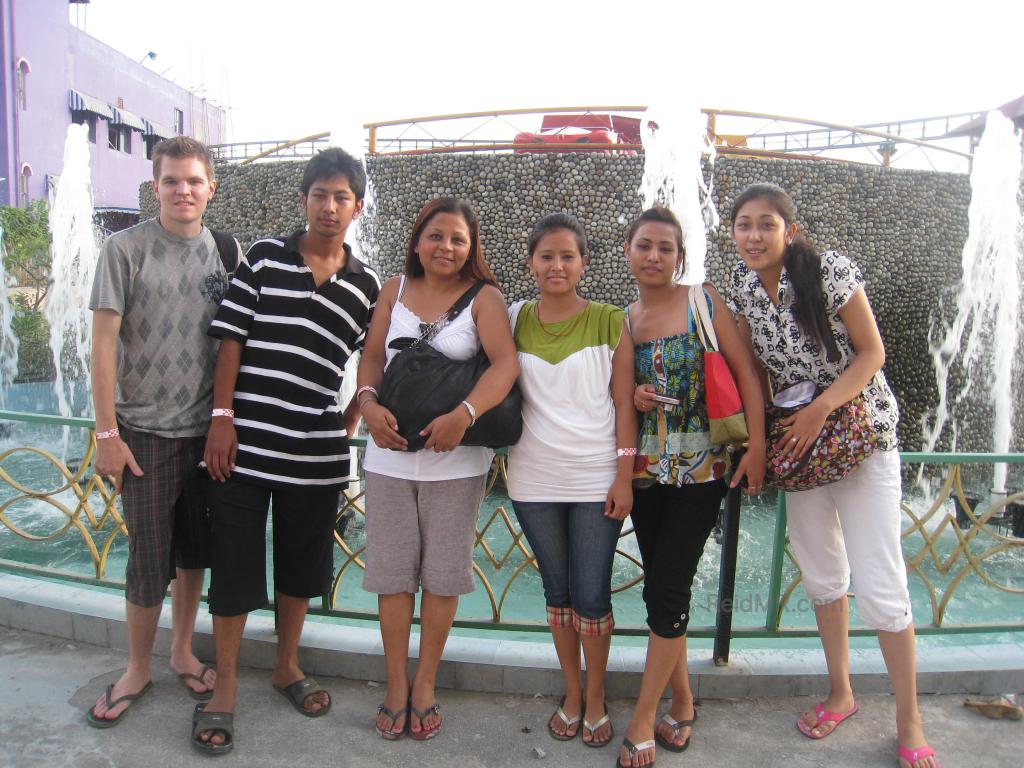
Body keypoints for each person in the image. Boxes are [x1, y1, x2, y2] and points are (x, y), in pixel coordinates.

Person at [726, 183, 937, 768]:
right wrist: (762, 444)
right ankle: (841, 693)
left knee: (883, 583)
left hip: (861, 438)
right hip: (800, 448)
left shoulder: (828, 270)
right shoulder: (743, 287)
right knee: (822, 574)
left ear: (788, 230)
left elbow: (872, 353)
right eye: (743, 225)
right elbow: (753, 377)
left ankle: (910, 720)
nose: (754, 235)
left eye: (766, 224)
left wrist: (822, 406)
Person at [193, 148, 380, 755]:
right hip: (242, 447)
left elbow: (373, 362)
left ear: (357, 207)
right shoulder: (265, 258)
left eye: (342, 197)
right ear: (303, 199)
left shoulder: (367, 285)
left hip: (316, 453)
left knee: (301, 566)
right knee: (236, 565)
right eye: (320, 194)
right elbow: (231, 342)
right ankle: (223, 687)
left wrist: (353, 415)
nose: (330, 206)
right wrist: (222, 418)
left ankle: (286, 665)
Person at [356, 197, 519, 741]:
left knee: (444, 575)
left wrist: (464, 414)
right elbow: (374, 356)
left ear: (471, 248)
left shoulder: (484, 297)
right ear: (417, 239)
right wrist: (367, 403)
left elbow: (505, 365)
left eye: (457, 239)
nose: (445, 247)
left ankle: (425, 683)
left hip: (457, 459)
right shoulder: (393, 289)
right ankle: (395, 684)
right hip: (389, 453)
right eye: (436, 236)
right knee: (393, 575)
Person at [86, 136, 235, 727]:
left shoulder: (226, 251)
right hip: (143, 432)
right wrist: (106, 434)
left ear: (211, 189)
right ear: (156, 186)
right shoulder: (125, 250)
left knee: (194, 553)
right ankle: (137, 666)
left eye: (194, 181)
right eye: (172, 180)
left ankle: (179, 650)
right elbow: (101, 345)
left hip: (206, 435)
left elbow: (234, 342)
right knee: (148, 558)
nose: (183, 191)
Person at [614, 207, 765, 767]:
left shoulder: (703, 300)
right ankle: (682, 697)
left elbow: (746, 372)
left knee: (670, 587)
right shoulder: (625, 321)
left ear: (679, 255)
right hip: (649, 474)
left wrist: (758, 446)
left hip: (703, 474)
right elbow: (621, 402)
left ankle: (642, 718)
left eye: (666, 248)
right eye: (644, 245)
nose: (654, 256)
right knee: (660, 586)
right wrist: (632, 405)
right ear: (627, 250)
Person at [506, 213, 635, 749]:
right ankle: (573, 692)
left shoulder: (611, 320)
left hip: (595, 476)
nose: (556, 266)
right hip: (533, 478)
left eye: (567, 256)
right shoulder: (513, 317)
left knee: (592, 594)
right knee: (557, 593)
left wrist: (624, 475)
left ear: (583, 263)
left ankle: (598, 695)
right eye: (546, 256)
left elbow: (625, 403)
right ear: (531, 262)